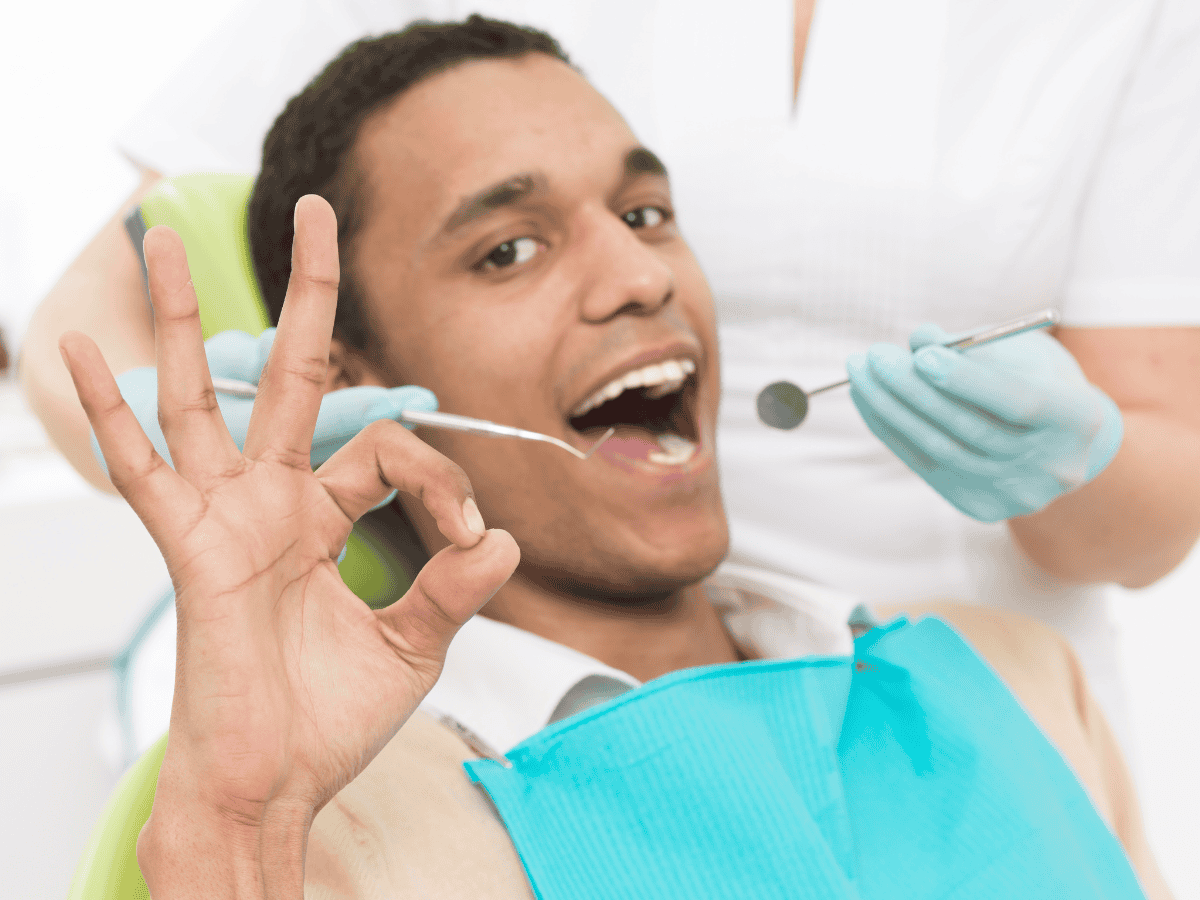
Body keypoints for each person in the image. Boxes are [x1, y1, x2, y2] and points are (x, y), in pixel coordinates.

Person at [61, 19, 1171, 898]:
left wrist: (1101, 462)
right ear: (347, 382)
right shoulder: (347, 825)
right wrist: (242, 827)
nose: (640, 278)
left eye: (646, 213)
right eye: (510, 250)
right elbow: (89, 306)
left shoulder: (1022, 688)